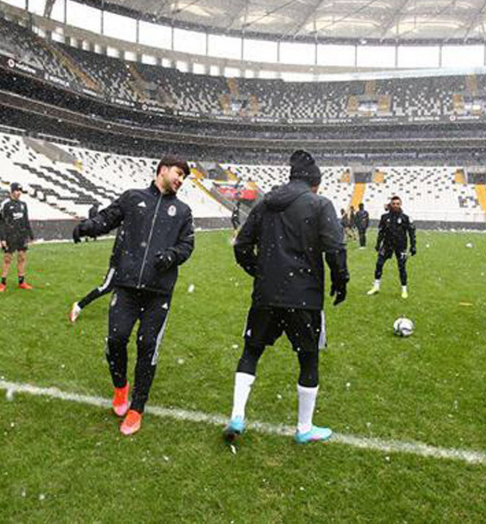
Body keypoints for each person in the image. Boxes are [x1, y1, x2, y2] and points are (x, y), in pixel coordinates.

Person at [224, 150, 348, 444]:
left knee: (251, 352)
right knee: (308, 359)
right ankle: (304, 428)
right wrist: (341, 281)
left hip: (266, 295)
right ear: (314, 183)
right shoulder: (320, 204)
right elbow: (334, 248)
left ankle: (237, 416)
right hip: (303, 298)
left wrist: (261, 272)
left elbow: (241, 245)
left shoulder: (266, 203)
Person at [71, 156, 195, 436]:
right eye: (178, 173)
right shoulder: (132, 198)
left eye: (184, 177)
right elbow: (107, 218)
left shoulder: (183, 211)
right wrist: (87, 226)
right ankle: (120, 388)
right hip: (126, 287)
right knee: (116, 340)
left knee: (147, 347)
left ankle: (137, 408)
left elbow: (187, 245)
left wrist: (171, 256)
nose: (181, 180)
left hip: (158, 293)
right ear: (162, 170)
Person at [366, 196, 416, 299]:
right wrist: (378, 243)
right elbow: (381, 232)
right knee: (379, 264)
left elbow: (411, 233)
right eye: (394, 204)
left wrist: (413, 246)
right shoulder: (384, 217)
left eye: (398, 204)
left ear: (400, 204)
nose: (396, 205)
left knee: (402, 267)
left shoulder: (405, 218)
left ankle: (404, 290)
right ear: (391, 204)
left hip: (401, 246)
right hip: (387, 245)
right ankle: (376, 287)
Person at [0, 183, 34, 292]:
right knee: (7, 259)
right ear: (12, 191)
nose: (19, 193)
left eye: (20, 191)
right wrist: (2, 238)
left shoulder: (23, 204)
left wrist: (31, 235)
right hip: (10, 236)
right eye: (17, 190)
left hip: (21, 235)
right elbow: (1, 223)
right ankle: (3, 283)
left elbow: (26, 220)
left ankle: (22, 282)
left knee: (22, 258)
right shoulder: (6, 204)